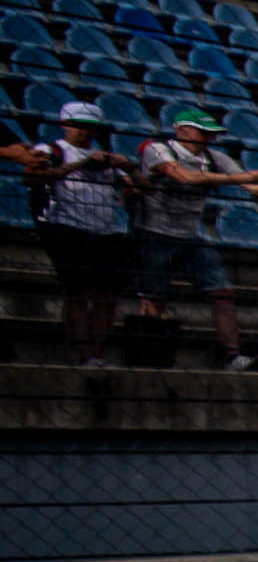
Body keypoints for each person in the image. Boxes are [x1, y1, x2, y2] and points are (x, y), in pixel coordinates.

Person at [136, 105, 258, 367]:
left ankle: (232, 354)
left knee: (221, 291)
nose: (208, 138)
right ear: (182, 131)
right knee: (153, 294)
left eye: (210, 133)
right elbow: (184, 177)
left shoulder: (213, 157)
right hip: (154, 232)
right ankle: (151, 353)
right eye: (202, 132)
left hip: (189, 234)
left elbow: (252, 187)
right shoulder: (158, 150)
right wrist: (240, 178)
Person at [17, 100, 138, 366]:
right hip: (67, 227)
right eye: (78, 125)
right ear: (64, 125)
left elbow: (139, 186)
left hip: (106, 230)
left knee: (107, 297)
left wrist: (127, 166)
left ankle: (97, 351)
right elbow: (32, 178)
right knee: (78, 293)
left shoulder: (106, 157)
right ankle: (85, 353)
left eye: (89, 126)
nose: (84, 131)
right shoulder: (51, 150)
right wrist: (81, 163)